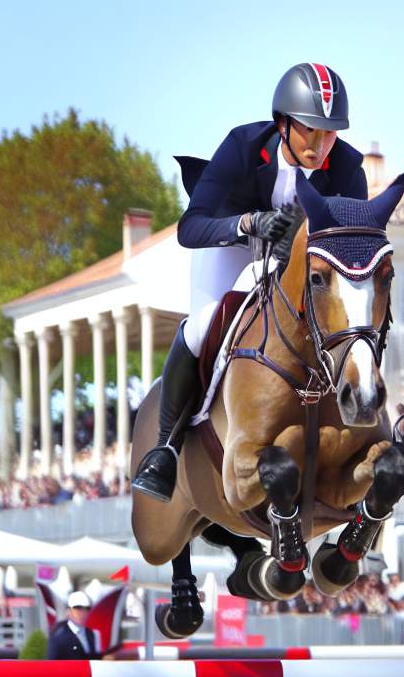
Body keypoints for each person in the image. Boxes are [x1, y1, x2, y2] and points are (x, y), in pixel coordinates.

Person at [133, 63, 368, 502]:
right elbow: (191, 228)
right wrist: (249, 222)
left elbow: (350, 249)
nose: (321, 146)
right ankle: (165, 448)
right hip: (233, 246)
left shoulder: (349, 169)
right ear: (283, 124)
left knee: (352, 321)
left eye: (330, 133)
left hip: (300, 263)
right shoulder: (243, 147)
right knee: (203, 326)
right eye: (310, 132)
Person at [46, 591, 103, 661]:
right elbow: (51, 663)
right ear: (68, 611)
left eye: (87, 609)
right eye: (78, 608)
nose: (82, 612)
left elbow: (96, 660)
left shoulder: (93, 634)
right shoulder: (58, 636)